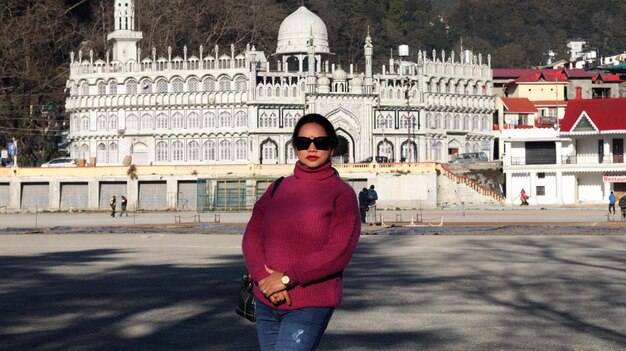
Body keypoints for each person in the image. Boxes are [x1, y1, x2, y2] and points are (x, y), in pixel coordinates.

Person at [242, 113, 361, 351]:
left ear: (333, 146)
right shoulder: (277, 188)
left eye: (321, 142)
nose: (312, 148)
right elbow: (253, 236)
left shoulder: (341, 194)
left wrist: (285, 279)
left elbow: (338, 252)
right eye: (304, 143)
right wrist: (265, 281)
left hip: (310, 302)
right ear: (295, 147)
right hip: (267, 300)